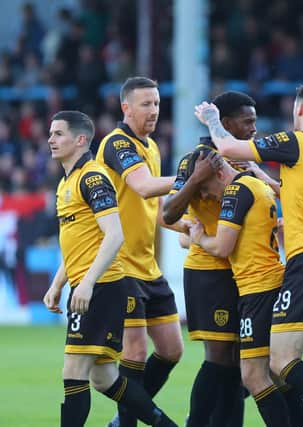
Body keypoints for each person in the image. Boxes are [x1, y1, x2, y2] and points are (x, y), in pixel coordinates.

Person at [196, 80, 303, 427]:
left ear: (298, 109)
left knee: (281, 361)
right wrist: (267, 181)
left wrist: (212, 120)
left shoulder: (294, 142)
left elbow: (227, 147)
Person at [42, 110, 177, 427]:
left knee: (73, 373)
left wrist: (87, 283)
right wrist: (58, 283)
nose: (50, 139)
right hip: (90, 284)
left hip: (101, 286)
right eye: (50, 133)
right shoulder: (67, 182)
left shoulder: (92, 177)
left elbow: (115, 235)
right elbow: (79, 241)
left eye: (58, 133)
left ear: (80, 140)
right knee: (104, 379)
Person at [163, 91, 276, 427]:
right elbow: (168, 213)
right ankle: (197, 421)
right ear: (226, 124)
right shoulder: (198, 160)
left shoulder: (247, 160)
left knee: (245, 361)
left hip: (245, 272)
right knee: (219, 357)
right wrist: (196, 180)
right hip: (210, 270)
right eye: (248, 121)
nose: (255, 128)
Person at [182, 145, 292, 427]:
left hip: (259, 288)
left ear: (219, 173)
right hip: (267, 283)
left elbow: (220, 246)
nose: (206, 197)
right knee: (276, 372)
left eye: (205, 188)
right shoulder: (258, 184)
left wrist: (198, 238)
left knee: (255, 375)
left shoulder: (237, 190)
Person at [96, 77, 184, 427]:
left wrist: (188, 225)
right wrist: (191, 179)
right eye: (146, 104)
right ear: (126, 108)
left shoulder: (151, 147)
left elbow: (159, 211)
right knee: (133, 350)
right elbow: (145, 187)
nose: (154, 111)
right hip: (119, 266)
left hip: (148, 267)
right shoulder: (117, 144)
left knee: (171, 349)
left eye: (158, 104)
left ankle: (125, 417)